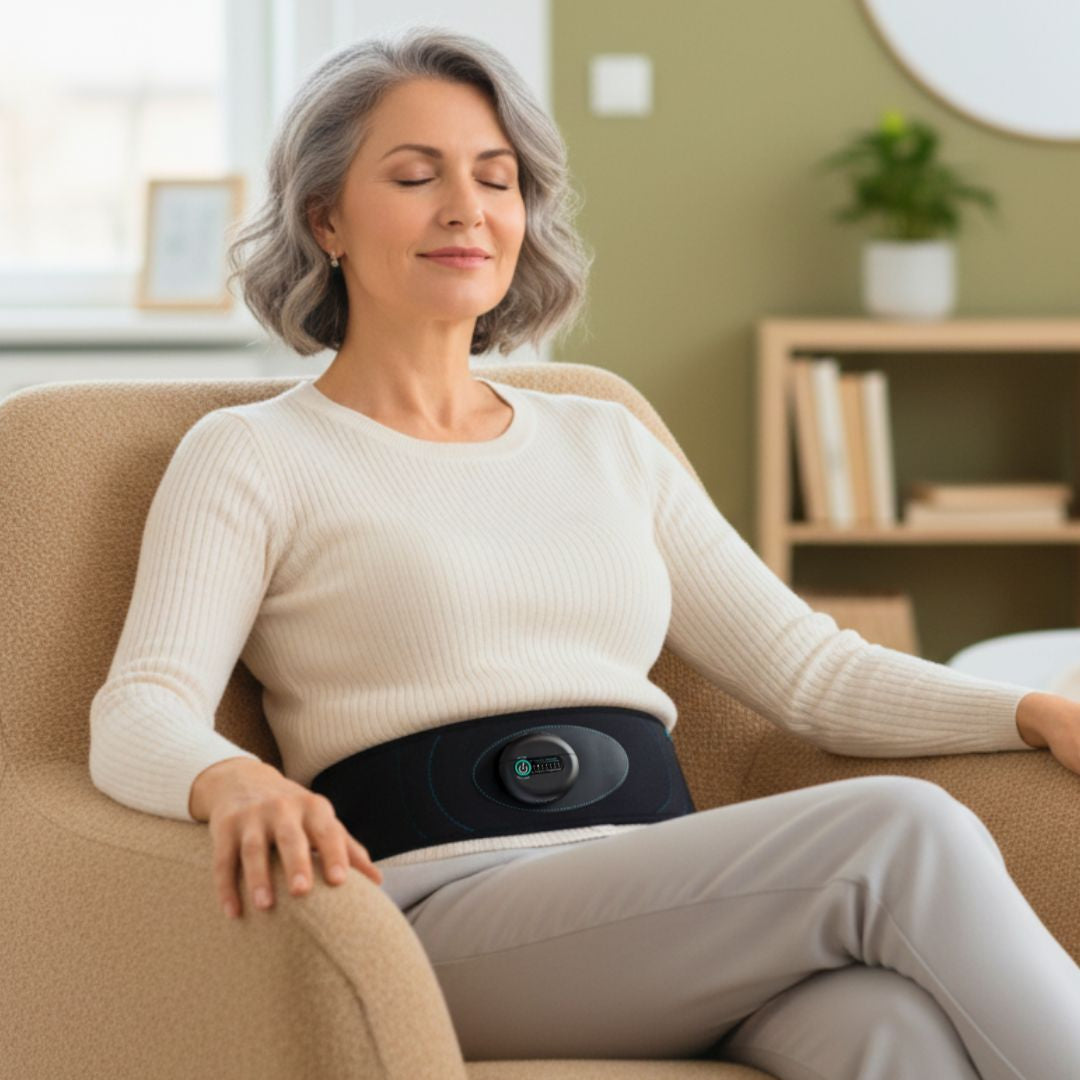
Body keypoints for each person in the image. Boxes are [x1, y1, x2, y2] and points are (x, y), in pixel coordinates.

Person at [88, 25, 1080, 1079]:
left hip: (669, 896)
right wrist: (231, 782)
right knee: (901, 830)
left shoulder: (604, 438)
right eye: (416, 176)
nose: (467, 208)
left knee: (888, 1030)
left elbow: (809, 670)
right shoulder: (255, 454)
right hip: (441, 918)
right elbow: (139, 705)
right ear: (325, 215)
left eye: (497, 178)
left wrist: (1028, 711)